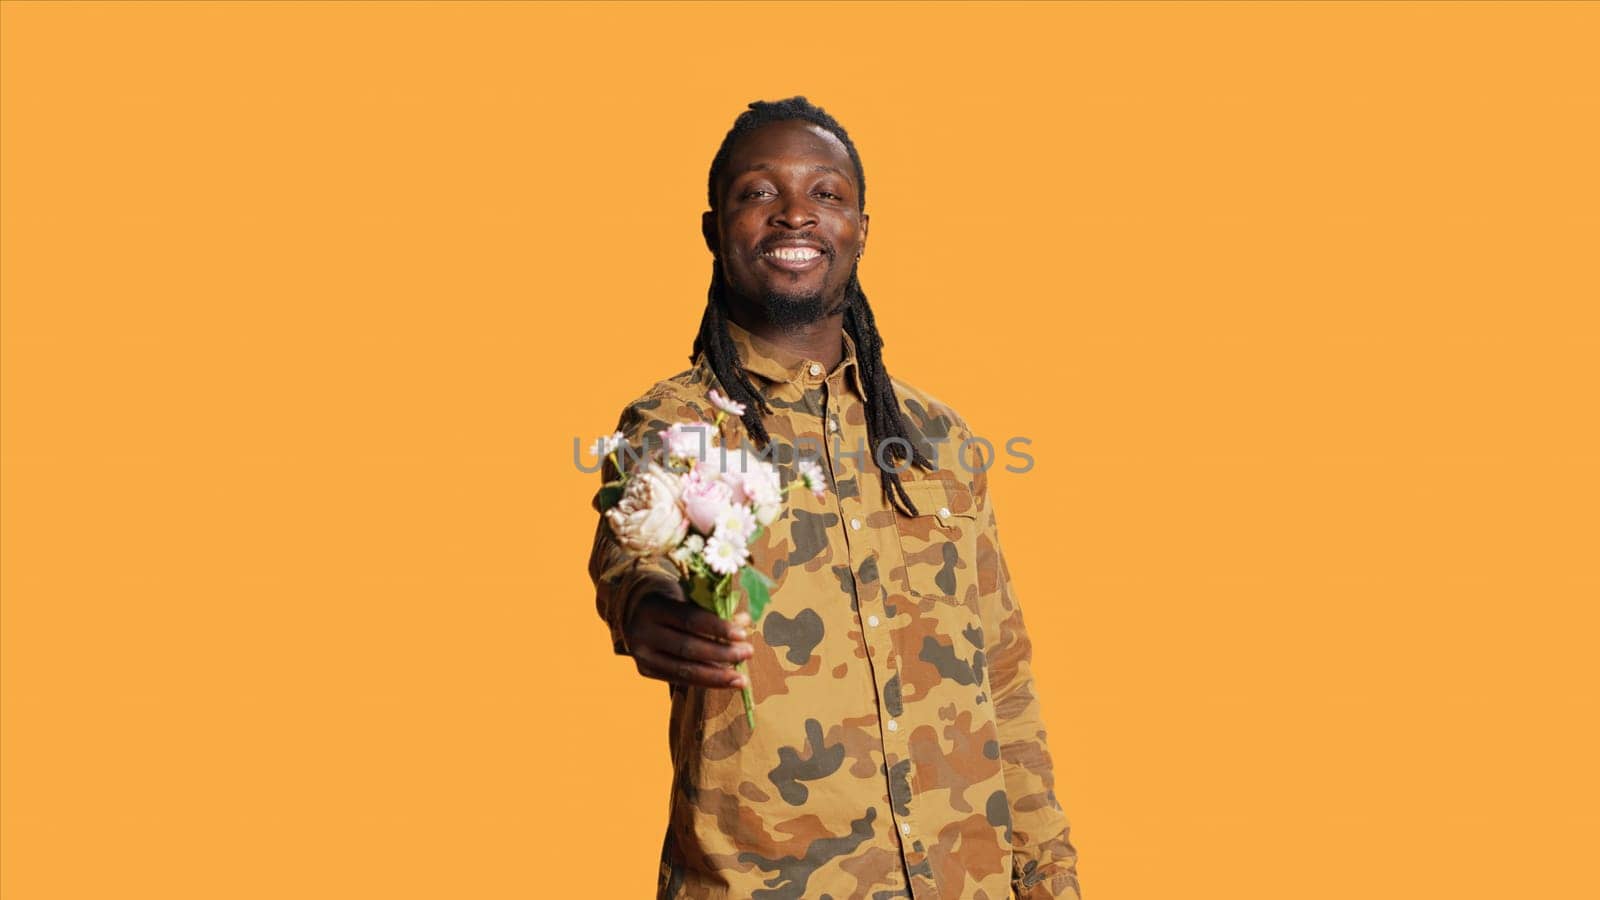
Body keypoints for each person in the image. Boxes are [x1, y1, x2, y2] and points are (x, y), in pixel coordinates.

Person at [587, 96, 1082, 899]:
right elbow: (633, 547)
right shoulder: (678, 426)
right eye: (758, 193)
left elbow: (1007, 678)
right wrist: (646, 604)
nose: (794, 215)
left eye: (826, 194)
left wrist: (1049, 878)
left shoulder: (938, 436)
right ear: (715, 230)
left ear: (860, 229)